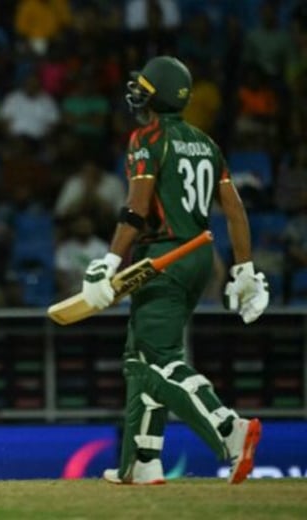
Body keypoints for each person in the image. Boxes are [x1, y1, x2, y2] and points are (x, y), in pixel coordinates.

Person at [80, 56, 268, 486]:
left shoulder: (147, 138)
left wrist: (108, 262)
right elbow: (235, 210)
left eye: (144, 86)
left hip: (163, 256)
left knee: (157, 360)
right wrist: (245, 269)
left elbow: (136, 209)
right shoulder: (205, 142)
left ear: (157, 94)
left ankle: (228, 430)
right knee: (139, 356)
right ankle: (141, 461)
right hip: (199, 254)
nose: (137, 92)